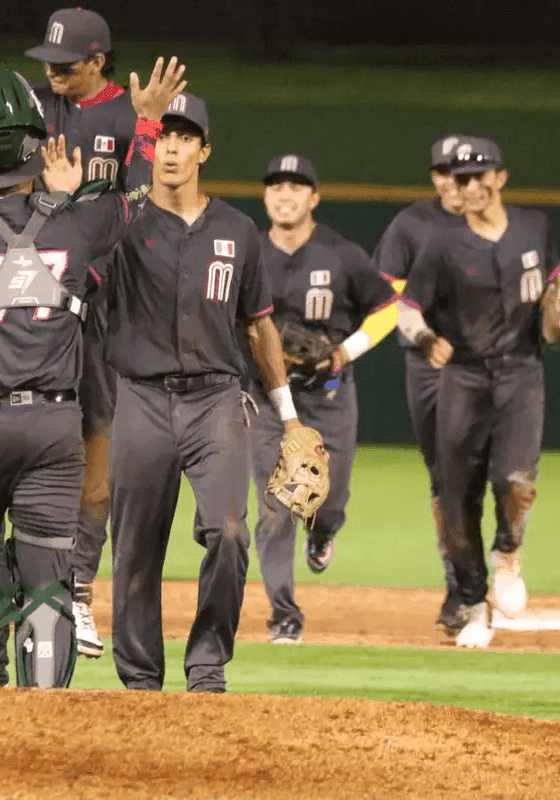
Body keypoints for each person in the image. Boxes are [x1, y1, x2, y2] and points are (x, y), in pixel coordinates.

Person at [0, 59, 184, 687]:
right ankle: (44, 730)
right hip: (57, 428)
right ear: (39, 142)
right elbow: (136, 196)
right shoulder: (78, 224)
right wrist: (144, 124)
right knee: (47, 577)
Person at [0, 6, 139, 659]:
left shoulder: (126, 117)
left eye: (66, 65)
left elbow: (135, 203)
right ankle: (0, 600)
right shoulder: (32, 110)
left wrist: (154, 126)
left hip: (92, 302)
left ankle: (76, 589)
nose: (53, 75)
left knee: (93, 455)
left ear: (98, 61)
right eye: (46, 65)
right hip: (19, 299)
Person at [105, 94, 323, 692]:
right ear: (151, 145)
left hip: (217, 403)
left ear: (204, 150)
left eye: (184, 136)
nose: (171, 147)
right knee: (134, 550)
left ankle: (206, 667)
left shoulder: (236, 230)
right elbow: (103, 197)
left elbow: (259, 325)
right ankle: (141, 681)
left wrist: (291, 417)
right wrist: (137, 126)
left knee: (228, 533)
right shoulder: (122, 218)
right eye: (163, 136)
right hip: (140, 398)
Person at [397, 136, 560, 647]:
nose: (469, 185)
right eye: (459, 178)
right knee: (456, 499)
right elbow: (408, 309)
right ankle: (475, 608)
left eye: (479, 176)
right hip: (464, 376)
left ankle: (509, 554)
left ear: (501, 177)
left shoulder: (535, 227)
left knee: (516, 479)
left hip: (521, 372)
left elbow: (556, 284)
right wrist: (427, 337)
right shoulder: (442, 245)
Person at [246, 154, 398, 644]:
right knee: (275, 506)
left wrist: (343, 352)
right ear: (266, 196)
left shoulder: (342, 254)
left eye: (297, 187)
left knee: (324, 503)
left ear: (315, 197)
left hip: (328, 398)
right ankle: (284, 616)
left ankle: (325, 531)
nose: (285, 195)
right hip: (267, 398)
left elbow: (391, 305)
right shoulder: (248, 254)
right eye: (276, 186)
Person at [372, 135, 471, 627]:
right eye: (444, 172)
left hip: (490, 366)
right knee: (446, 479)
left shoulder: (499, 224)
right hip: (429, 366)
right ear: (435, 177)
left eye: (462, 171)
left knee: (497, 475)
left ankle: (498, 561)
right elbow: (386, 297)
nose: (453, 180)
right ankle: (459, 587)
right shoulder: (412, 225)